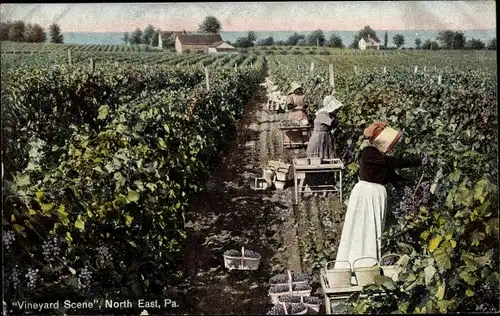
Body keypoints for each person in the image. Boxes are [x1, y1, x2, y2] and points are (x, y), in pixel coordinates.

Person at [334, 121, 422, 270]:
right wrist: (417, 161)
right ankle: (358, 263)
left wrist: (411, 184)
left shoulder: (379, 158)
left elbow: (392, 176)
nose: (390, 149)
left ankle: (366, 264)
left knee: (371, 227)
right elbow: (394, 163)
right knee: (361, 227)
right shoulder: (369, 152)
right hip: (366, 194)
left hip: (374, 195)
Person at [306, 95, 343, 159]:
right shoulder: (322, 114)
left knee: (325, 154)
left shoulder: (328, 114)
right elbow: (333, 123)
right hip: (320, 138)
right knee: (319, 155)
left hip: (325, 137)